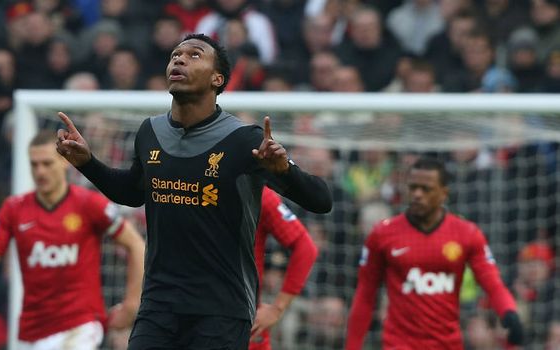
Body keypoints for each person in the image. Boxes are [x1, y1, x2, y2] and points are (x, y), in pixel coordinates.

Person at [56, 33, 332, 349]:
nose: (180, 59)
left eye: (195, 54)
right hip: (159, 306)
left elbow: (321, 200)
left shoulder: (243, 140)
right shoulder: (150, 132)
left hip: (221, 311)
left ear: (218, 79)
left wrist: (285, 170)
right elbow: (133, 194)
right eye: (175, 54)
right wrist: (88, 163)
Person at [0, 132, 146, 349]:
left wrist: (132, 303)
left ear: (64, 162)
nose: (40, 171)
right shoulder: (14, 209)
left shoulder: (89, 204)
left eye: (46, 163)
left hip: (81, 324)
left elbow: (136, 244)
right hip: (35, 329)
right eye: (34, 165)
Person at [346, 157, 523, 349]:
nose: (417, 194)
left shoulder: (466, 234)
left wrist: (508, 311)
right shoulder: (382, 234)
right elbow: (365, 293)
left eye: (426, 189)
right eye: (412, 187)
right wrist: (352, 346)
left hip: (447, 344)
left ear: (444, 194)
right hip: (398, 344)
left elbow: (492, 284)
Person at [250, 187, 318, 350]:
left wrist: (277, 308)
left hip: (242, 317)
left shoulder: (257, 193)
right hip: (190, 308)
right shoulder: (183, 188)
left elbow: (306, 248)